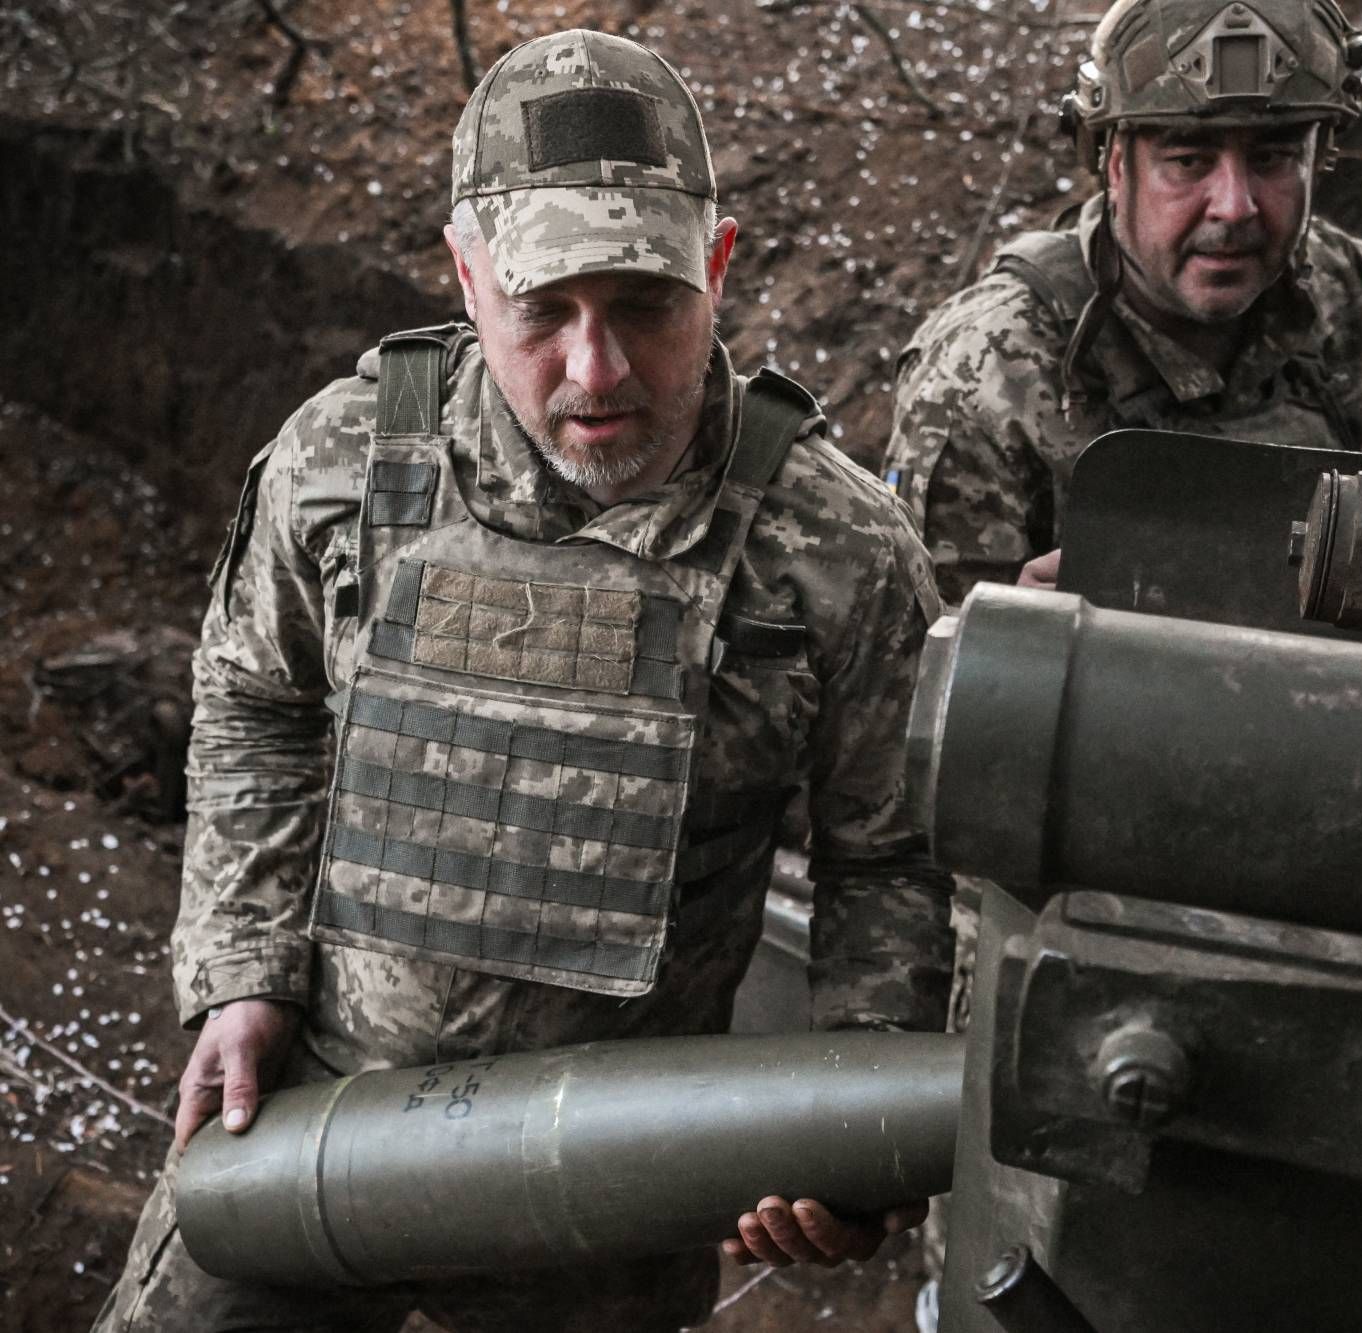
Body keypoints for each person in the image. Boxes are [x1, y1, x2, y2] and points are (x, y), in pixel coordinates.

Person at [96, 29, 950, 1333]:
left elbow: (890, 857)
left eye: (644, 303)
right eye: (544, 309)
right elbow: (256, 698)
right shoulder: (339, 467)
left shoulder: (833, 549)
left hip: (607, 1185)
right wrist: (244, 968)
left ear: (717, 265)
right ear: (467, 273)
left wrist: (849, 1123)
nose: (596, 371)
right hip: (312, 1115)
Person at [882, 0, 1362, 603]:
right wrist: (1004, 635)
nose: (1236, 206)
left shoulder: (1341, 293)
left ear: (1320, 158)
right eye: (1189, 161)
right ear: (1114, 166)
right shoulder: (984, 376)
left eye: (1274, 157)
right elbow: (906, 683)